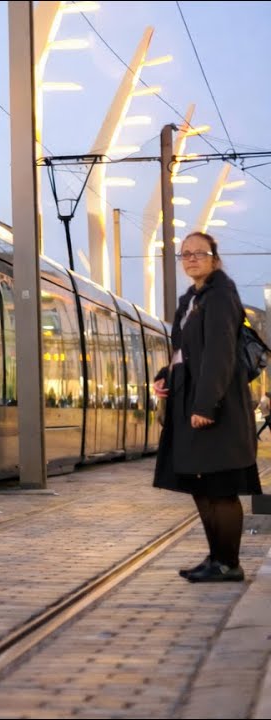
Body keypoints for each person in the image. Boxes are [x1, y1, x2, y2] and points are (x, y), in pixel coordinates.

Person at [152, 232, 262, 583]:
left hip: (217, 410)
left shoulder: (220, 298)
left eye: (200, 253)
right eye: (185, 254)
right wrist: (163, 377)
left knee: (221, 489)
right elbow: (186, 352)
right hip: (191, 404)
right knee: (202, 487)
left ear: (215, 258)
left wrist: (206, 405)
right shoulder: (192, 300)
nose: (191, 259)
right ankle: (217, 559)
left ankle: (229, 563)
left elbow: (219, 354)